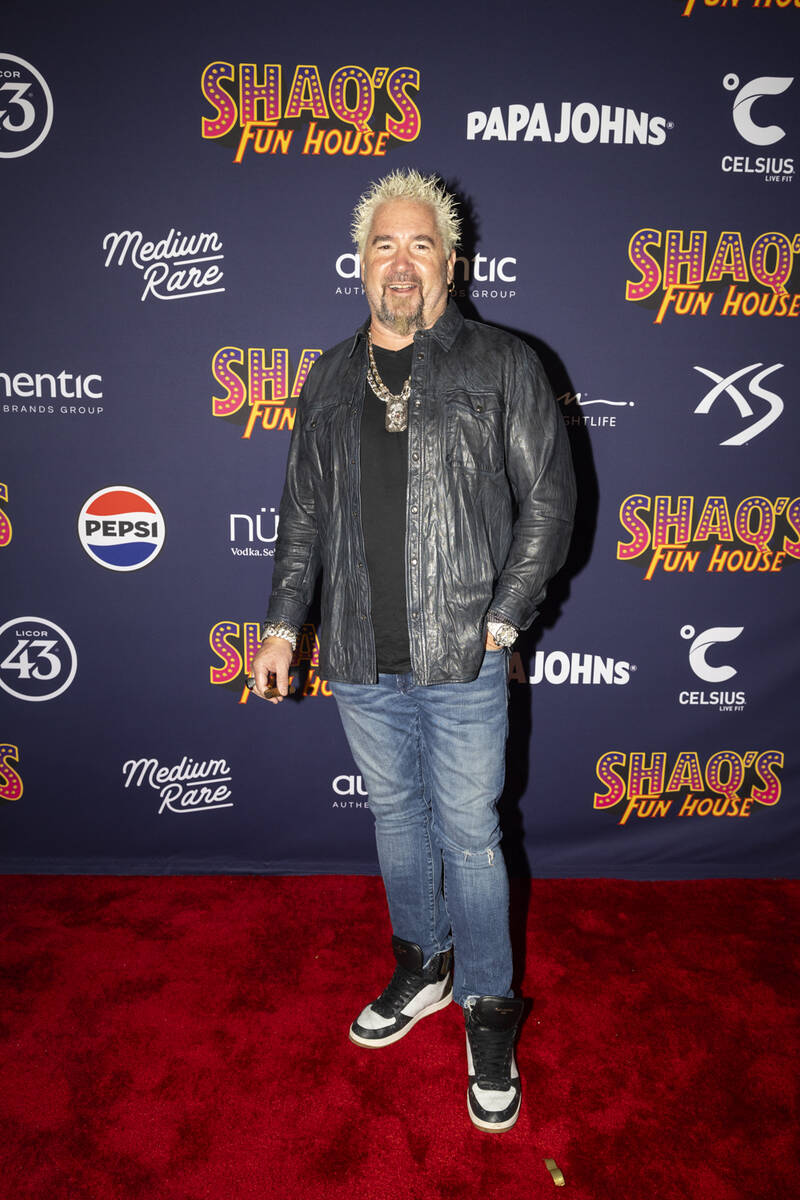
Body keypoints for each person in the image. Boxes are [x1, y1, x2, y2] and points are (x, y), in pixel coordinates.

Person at [252, 168, 576, 1132]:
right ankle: (423, 965)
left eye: (420, 244)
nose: (401, 263)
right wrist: (283, 624)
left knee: (470, 834)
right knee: (396, 817)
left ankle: (487, 1004)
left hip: (464, 653)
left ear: (451, 261)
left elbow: (550, 502)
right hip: (359, 653)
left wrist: (503, 619)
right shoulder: (329, 375)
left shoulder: (505, 362)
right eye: (383, 245)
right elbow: (302, 514)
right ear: (360, 263)